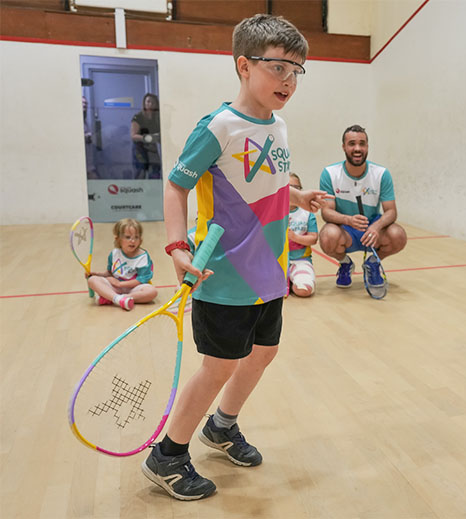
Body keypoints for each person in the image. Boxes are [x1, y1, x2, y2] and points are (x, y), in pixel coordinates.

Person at [141, 14, 330, 501]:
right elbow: (176, 186)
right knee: (219, 366)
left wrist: (298, 197)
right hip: (222, 274)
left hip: (270, 271)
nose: (288, 80)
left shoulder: (280, 124)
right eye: (278, 68)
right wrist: (177, 247)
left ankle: (221, 428)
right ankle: (167, 456)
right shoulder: (217, 127)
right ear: (244, 66)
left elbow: (262, 188)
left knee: (263, 354)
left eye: (297, 71)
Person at [318, 125, 407, 290]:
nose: (357, 148)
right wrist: (348, 220)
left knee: (398, 235)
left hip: (373, 228)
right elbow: (326, 212)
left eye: (362, 143)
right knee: (327, 237)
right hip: (345, 230)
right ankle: (345, 264)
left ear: (367, 146)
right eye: (352, 144)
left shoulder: (381, 174)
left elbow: (391, 211)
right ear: (344, 147)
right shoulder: (330, 173)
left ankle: (372, 263)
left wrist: (376, 227)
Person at [86, 218, 158, 310]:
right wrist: (97, 274)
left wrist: (120, 284)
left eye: (136, 237)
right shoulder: (114, 253)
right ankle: (118, 298)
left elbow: (141, 280)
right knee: (92, 280)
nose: (133, 241)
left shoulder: (143, 256)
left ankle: (114, 298)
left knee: (152, 292)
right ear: (118, 239)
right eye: (128, 237)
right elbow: (110, 273)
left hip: (134, 288)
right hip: (115, 287)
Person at [287, 173, 318, 297]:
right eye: (290, 188)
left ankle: (294, 279)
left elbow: (313, 238)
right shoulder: (273, 210)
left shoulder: (307, 213)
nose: (293, 192)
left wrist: (295, 237)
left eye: (297, 188)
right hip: (275, 262)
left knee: (304, 290)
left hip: (300, 260)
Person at [131, 93, 161, 179]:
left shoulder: (158, 117)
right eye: (148, 102)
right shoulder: (138, 117)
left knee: (155, 169)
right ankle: (138, 191)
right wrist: (147, 138)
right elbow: (133, 135)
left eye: (152, 102)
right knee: (141, 170)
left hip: (152, 147)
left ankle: (153, 190)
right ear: (144, 103)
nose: (150, 104)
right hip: (139, 147)